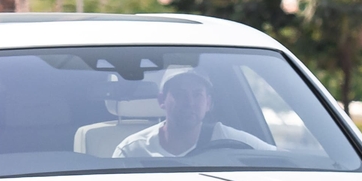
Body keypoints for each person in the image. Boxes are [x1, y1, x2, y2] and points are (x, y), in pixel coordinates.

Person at [113, 66, 274, 160]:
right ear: (162, 100)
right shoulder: (131, 151)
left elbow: (279, 158)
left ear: (208, 103)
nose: (189, 102)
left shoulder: (230, 139)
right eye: (180, 94)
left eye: (197, 95)